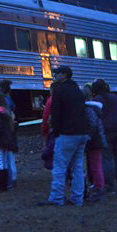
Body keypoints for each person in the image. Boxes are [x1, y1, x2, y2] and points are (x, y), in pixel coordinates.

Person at [38, 66, 89, 207]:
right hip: (82, 133)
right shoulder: (78, 91)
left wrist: (57, 132)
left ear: (64, 75)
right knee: (78, 167)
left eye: (57, 74)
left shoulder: (59, 90)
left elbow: (56, 114)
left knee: (59, 166)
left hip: (67, 134)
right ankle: (77, 198)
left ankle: (56, 198)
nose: (54, 76)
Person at [93, 79, 117, 193]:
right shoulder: (115, 98)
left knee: (107, 159)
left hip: (107, 131)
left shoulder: (97, 100)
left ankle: (110, 185)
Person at [83, 83, 107, 203]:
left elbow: (92, 125)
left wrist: (88, 137)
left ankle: (99, 188)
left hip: (94, 141)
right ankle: (98, 187)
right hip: (98, 140)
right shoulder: (96, 108)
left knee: (95, 166)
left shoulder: (89, 109)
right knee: (95, 166)